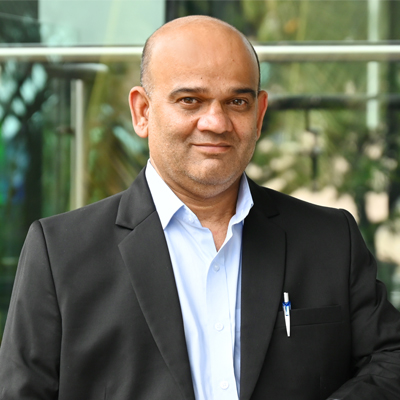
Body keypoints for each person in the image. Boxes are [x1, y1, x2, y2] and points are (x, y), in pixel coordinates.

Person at [0, 15, 400, 400]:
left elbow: (390, 361)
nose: (216, 122)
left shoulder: (330, 239)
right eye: (190, 100)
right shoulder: (60, 253)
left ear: (259, 115)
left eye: (237, 102)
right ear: (142, 112)